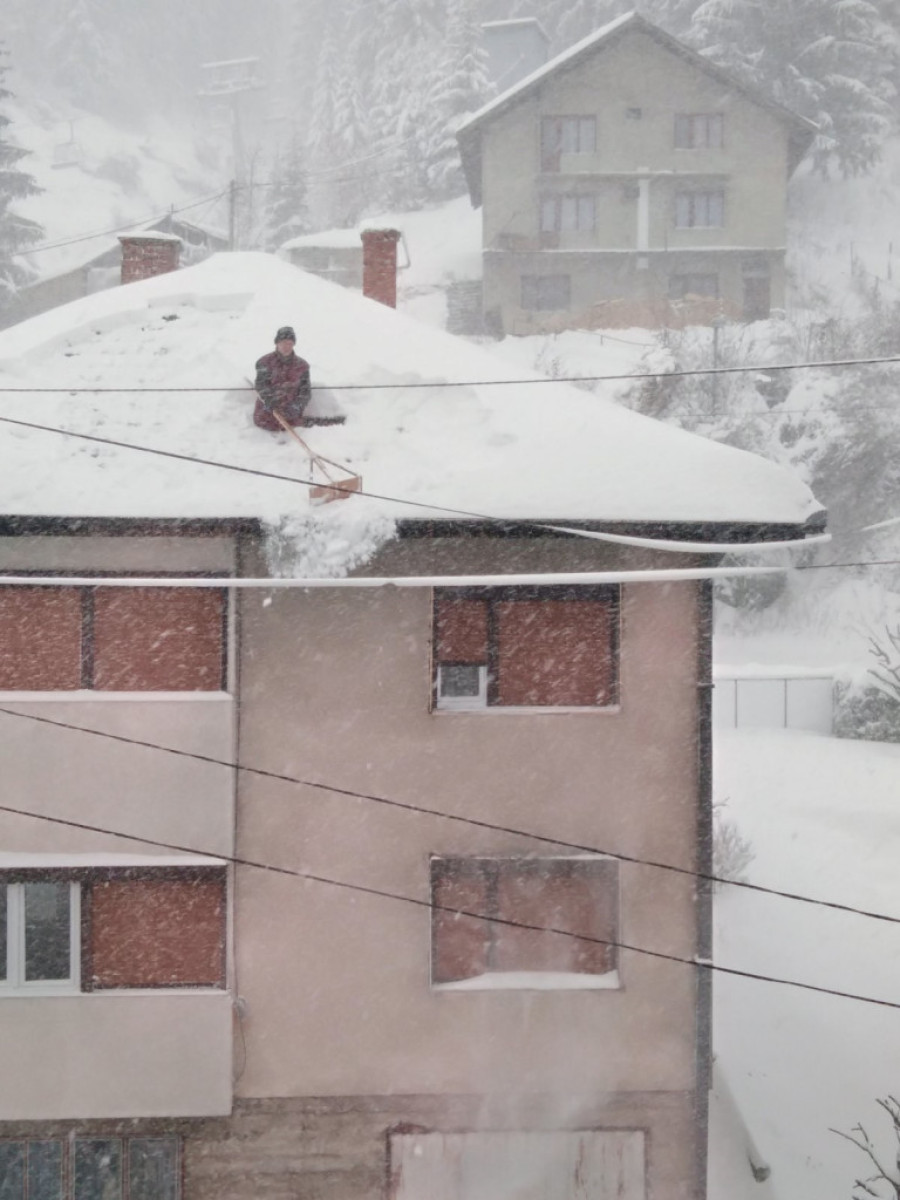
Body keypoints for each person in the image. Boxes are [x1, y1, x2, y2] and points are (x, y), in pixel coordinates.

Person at [253, 326, 311, 431]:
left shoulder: (302, 366)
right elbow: (261, 385)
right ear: (277, 343)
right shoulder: (264, 362)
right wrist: (269, 401)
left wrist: (297, 406)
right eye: (283, 342)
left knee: (295, 424)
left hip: (291, 414)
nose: (286, 346)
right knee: (266, 424)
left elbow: (305, 391)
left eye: (290, 343)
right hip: (266, 414)